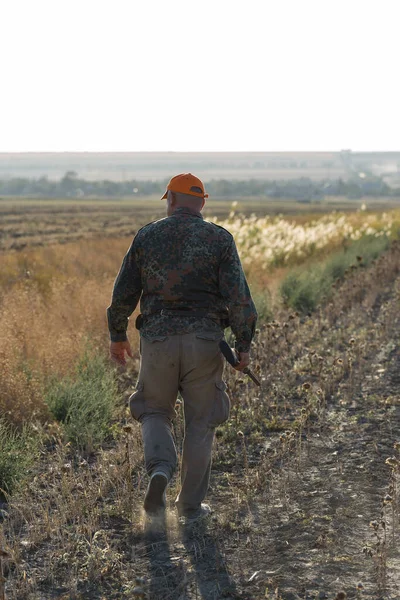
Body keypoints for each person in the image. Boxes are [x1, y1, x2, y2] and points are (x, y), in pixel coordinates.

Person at [107, 173, 257, 521]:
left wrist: (117, 334)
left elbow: (124, 291)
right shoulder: (220, 239)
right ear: (202, 202)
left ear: (171, 200)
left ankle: (160, 469)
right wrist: (244, 344)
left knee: (154, 410)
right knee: (201, 422)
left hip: (157, 340)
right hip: (205, 342)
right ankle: (189, 508)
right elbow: (239, 299)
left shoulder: (148, 235)